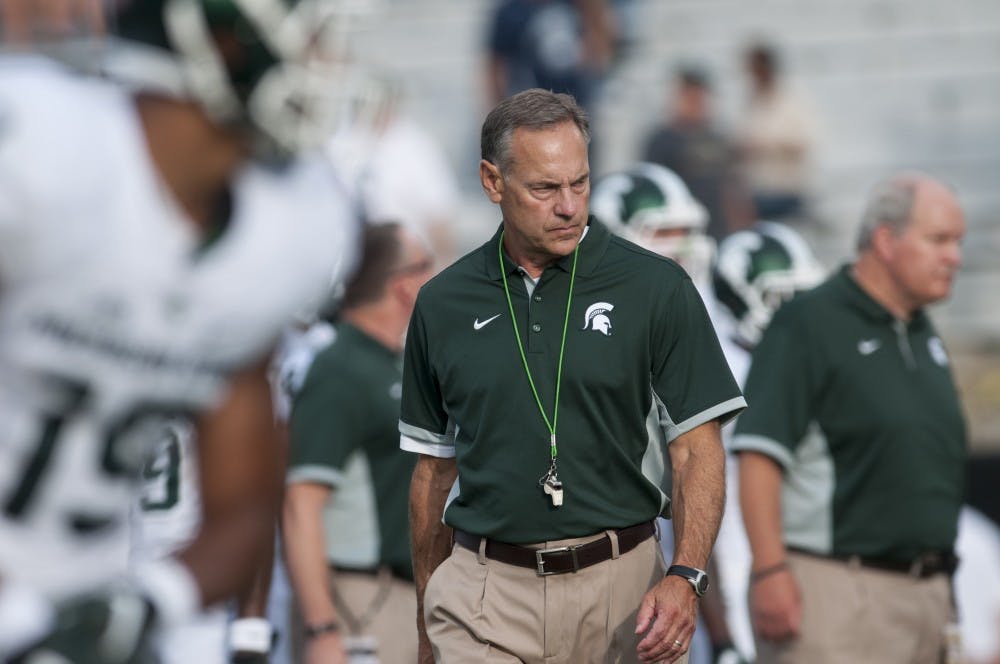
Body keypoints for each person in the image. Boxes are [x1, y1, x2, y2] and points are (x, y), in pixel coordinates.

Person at [0, 1, 356, 660]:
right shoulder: (44, 150)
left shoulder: (287, 227)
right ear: (214, 38)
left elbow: (242, 500)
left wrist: (148, 601)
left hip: (85, 594)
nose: (323, 60)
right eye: (301, 35)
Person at [401, 88, 746, 664]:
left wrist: (686, 575)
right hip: (483, 593)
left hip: (624, 587)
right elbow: (432, 474)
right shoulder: (441, 303)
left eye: (579, 183)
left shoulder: (658, 287)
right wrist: (423, 618)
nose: (569, 206)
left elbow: (696, 450)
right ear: (492, 182)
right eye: (545, 188)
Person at [732, 172, 967, 663]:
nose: (955, 258)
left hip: (928, 594)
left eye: (958, 242)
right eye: (939, 240)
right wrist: (770, 571)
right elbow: (759, 455)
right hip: (837, 593)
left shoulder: (922, 331)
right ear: (886, 239)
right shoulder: (809, 322)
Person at [591, 162, 748, 664]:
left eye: (686, 232)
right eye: (662, 232)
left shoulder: (717, 336)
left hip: (716, 574)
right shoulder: (594, 346)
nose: (680, 248)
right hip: (636, 576)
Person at [283, 221, 433, 664]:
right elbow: (300, 503)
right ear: (403, 284)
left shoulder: (393, 361)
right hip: (362, 600)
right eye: (427, 267)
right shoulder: (340, 369)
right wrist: (321, 627)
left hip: (402, 598)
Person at [710, 221, 826, 662]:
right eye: (784, 298)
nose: (800, 310)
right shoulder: (725, 377)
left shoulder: (800, 366)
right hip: (749, 585)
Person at [641, 65, 752, 242]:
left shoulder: (719, 140)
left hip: (718, 230)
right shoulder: (661, 140)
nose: (695, 104)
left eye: (699, 97)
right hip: (679, 232)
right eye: (689, 97)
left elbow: (733, 189)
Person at [735, 41, 819, 224]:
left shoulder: (791, 100)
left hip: (786, 192)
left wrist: (766, 146)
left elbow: (803, 143)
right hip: (756, 193)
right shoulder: (750, 102)